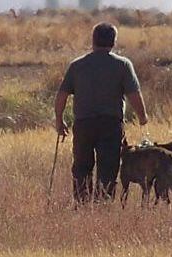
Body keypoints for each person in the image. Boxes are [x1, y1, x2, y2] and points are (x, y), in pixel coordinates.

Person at [54, 22, 149, 204]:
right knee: (108, 168)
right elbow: (134, 95)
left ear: (93, 40)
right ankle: (102, 205)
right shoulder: (122, 65)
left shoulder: (77, 65)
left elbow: (62, 95)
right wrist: (142, 117)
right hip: (110, 125)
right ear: (113, 42)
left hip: (83, 124)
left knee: (82, 167)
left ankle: (82, 203)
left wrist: (59, 121)